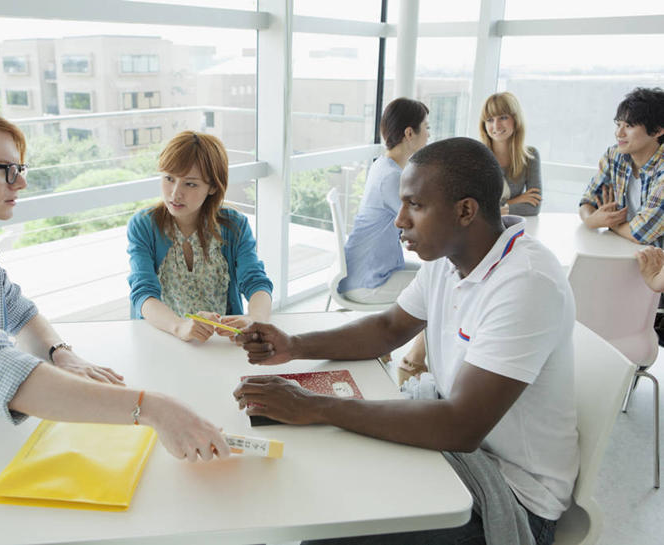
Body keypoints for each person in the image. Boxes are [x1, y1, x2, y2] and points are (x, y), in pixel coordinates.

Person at [0, 97, 230, 545]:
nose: (22, 181)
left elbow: (19, 309)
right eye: (7, 169)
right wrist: (153, 409)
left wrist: (61, 354)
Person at [234, 137, 578, 545]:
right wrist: (295, 346)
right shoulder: (449, 259)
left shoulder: (526, 283)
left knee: (328, 536)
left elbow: (460, 426)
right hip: (460, 456)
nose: (399, 220)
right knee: (324, 489)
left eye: (414, 205)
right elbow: (388, 329)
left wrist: (314, 406)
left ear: (465, 211)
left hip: (513, 494)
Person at [127, 131, 272, 342]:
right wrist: (179, 327)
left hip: (220, 341)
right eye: (169, 178)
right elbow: (143, 293)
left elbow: (255, 281)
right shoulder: (144, 225)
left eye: (191, 184)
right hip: (164, 336)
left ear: (212, 186)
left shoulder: (234, 225)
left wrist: (256, 320)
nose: (175, 193)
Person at [337, 97, 428, 305]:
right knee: (436, 286)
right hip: (367, 282)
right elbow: (420, 224)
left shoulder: (384, 166)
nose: (429, 135)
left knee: (434, 277)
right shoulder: (391, 177)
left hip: (368, 271)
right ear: (409, 133)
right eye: (426, 128)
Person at [579, 87, 664, 246]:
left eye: (629, 126)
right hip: (618, 250)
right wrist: (591, 220)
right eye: (618, 124)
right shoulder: (615, 156)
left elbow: (641, 233)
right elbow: (587, 201)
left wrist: (610, 223)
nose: (619, 133)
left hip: (656, 265)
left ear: (658, 130)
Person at [479, 91, 542, 217]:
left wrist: (496, 209)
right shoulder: (478, 157)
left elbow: (533, 207)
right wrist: (516, 201)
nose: (496, 126)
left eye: (503, 117)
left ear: (516, 120)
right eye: (490, 120)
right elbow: (478, 211)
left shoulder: (531, 155)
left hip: (513, 228)